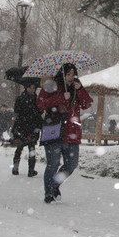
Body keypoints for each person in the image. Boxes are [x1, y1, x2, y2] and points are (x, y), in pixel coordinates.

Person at [36, 63, 93, 203]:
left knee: (71, 164)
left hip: (71, 132)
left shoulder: (76, 87)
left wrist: (80, 90)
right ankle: (48, 193)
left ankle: (54, 185)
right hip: (54, 130)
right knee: (53, 164)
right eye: (68, 74)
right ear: (62, 74)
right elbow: (40, 104)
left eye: (73, 74)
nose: (71, 77)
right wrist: (61, 97)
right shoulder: (51, 86)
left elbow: (86, 103)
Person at [11, 81, 43, 176]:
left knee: (30, 149)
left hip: (29, 126)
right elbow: (17, 110)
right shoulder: (23, 99)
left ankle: (30, 170)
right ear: (26, 88)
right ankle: (17, 168)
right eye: (30, 88)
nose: (32, 90)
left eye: (33, 88)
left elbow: (39, 112)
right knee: (21, 148)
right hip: (24, 126)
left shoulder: (35, 99)